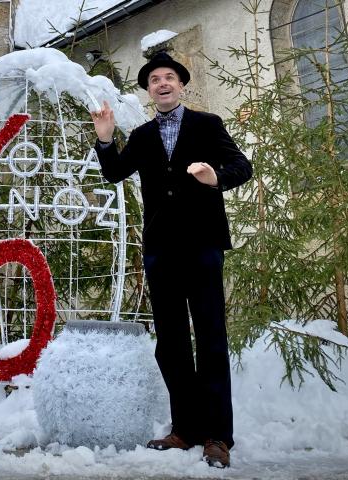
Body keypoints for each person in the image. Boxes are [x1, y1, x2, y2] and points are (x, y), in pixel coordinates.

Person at [91, 52, 252, 468]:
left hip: (202, 246)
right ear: (148, 90)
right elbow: (114, 173)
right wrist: (106, 139)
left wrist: (215, 178)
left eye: (169, 77)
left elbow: (241, 166)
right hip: (161, 251)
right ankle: (185, 429)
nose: (162, 84)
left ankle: (218, 436)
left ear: (181, 84)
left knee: (211, 340)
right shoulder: (143, 135)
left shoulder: (207, 124)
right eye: (154, 80)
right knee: (173, 343)